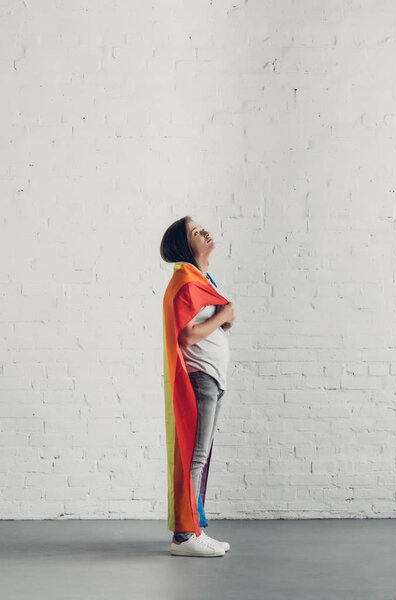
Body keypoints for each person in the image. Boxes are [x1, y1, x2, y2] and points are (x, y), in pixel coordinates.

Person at [160, 216, 235, 557]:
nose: (204, 231)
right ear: (184, 245)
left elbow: (212, 324)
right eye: (194, 232)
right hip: (200, 377)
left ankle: (194, 530)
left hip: (212, 378)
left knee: (199, 459)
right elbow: (188, 335)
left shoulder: (202, 280)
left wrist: (223, 318)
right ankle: (184, 536)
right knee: (194, 458)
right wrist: (223, 317)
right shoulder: (187, 282)